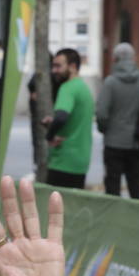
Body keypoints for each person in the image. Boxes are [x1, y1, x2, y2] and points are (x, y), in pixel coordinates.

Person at [96, 42, 139, 199]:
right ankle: (138, 216)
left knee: (113, 186)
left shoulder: (110, 82)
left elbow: (102, 114)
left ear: (114, 59)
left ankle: (113, 219)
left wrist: (105, 129)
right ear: (133, 58)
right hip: (136, 141)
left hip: (114, 142)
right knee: (135, 183)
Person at [43, 48, 93, 189]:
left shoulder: (67, 88)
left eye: (58, 66)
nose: (54, 70)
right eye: (53, 66)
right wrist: (52, 123)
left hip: (63, 161)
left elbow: (61, 117)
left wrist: (49, 137)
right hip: (80, 161)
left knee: (54, 208)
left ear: (72, 66)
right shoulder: (83, 87)